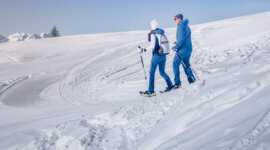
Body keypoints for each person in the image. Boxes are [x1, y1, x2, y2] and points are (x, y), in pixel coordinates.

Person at [139, 19, 174, 97]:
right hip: (163, 55)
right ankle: (170, 85)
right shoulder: (161, 33)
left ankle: (151, 91)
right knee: (162, 72)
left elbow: (152, 46)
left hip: (156, 56)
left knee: (151, 73)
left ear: (152, 26)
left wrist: (143, 50)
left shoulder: (153, 34)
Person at [172, 13, 196, 89]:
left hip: (182, 49)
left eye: (175, 19)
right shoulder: (187, 26)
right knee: (186, 64)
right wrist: (178, 42)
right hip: (188, 48)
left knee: (175, 64)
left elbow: (182, 39)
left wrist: (176, 47)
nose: (174, 21)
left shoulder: (180, 26)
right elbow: (184, 38)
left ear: (179, 19)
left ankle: (177, 83)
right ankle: (191, 79)